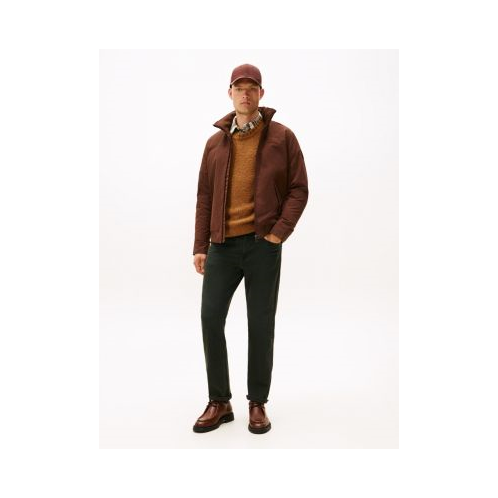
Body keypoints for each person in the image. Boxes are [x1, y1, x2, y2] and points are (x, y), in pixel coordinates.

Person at [192, 64, 309, 434]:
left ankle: (257, 402)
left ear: (261, 93)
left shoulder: (282, 137)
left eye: (252, 88)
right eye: (239, 88)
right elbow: (205, 196)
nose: (245, 94)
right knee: (211, 318)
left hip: (262, 246)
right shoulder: (215, 143)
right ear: (230, 93)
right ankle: (219, 401)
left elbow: (299, 188)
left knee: (260, 324)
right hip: (221, 247)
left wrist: (278, 233)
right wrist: (200, 245)